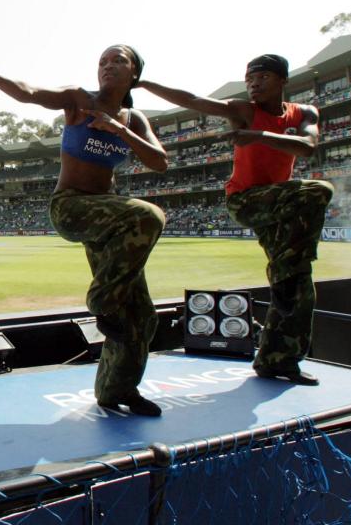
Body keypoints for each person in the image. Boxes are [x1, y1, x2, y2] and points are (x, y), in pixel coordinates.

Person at [0, 45, 169, 416]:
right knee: (150, 216)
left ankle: (117, 390)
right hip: (71, 206)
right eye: (102, 61)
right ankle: (101, 301)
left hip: (107, 216)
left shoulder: (134, 119)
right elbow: (28, 93)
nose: (108, 66)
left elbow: (159, 161)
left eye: (118, 61)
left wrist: (118, 129)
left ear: (134, 74)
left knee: (140, 314)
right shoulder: (78, 100)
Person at [138, 55, 333, 385]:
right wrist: (145, 84)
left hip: (280, 204)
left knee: (300, 285)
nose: (253, 84)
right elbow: (193, 101)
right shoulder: (244, 111)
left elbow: (308, 147)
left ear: (283, 80)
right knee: (319, 190)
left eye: (262, 77)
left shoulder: (305, 113)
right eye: (249, 79)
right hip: (245, 201)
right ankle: (290, 270)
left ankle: (276, 361)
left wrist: (257, 136)